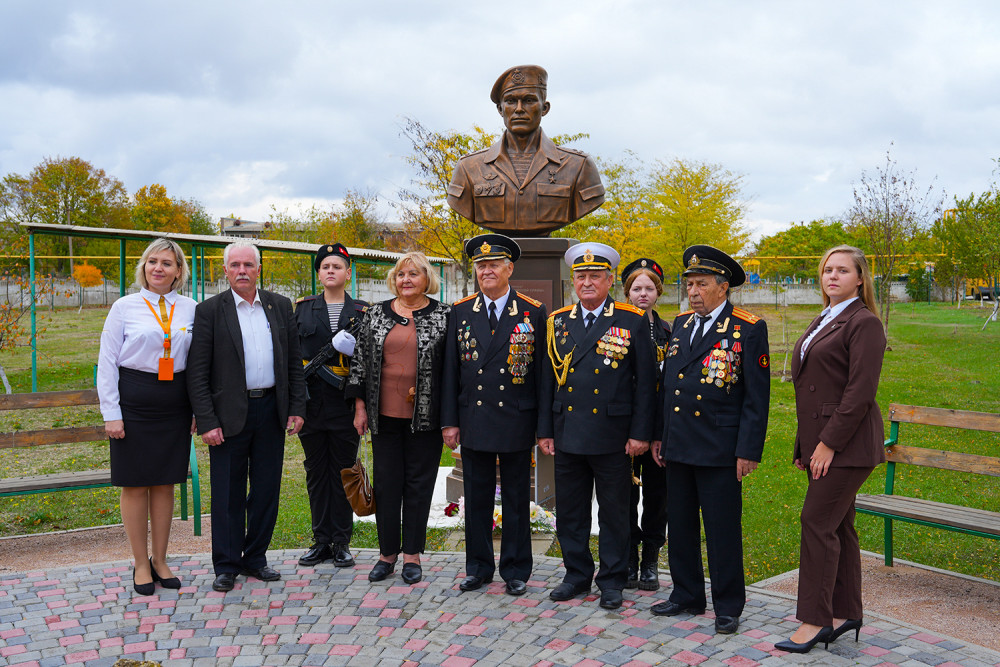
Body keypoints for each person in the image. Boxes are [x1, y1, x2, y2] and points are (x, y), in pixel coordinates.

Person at [650, 245, 770, 635]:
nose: (693, 292)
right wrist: (660, 436)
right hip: (679, 444)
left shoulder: (747, 328)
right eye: (689, 284)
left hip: (720, 448)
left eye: (701, 284)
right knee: (681, 524)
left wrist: (748, 451)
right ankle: (686, 594)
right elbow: (669, 386)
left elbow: (756, 398)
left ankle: (728, 604)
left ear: (723, 287)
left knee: (721, 530)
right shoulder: (682, 323)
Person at [775, 245, 886, 654]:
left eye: (842, 270)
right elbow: (813, 388)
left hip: (847, 445)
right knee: (838, 526)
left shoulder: (864, 322)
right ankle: (846, 611)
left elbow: (859, 392)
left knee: (816, 522)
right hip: (822, 442)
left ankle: (815, 620)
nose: (832, 276)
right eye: (827, 270)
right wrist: (806, 445)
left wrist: (827, 445)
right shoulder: (826, 317)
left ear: (860, 278)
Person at [537, 243, 656, 610]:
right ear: (573, 280)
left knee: (614, 513)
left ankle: (612, 579)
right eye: (580, 276)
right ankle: (576, 575)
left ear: (609, 280)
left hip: (612, 435)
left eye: (594, 276)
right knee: (570, 511)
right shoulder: (557, 321)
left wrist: (640, 433)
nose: (586, 282)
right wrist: (545, 430)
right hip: (568, 431)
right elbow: (546, 381)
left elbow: (646, 383)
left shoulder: (632, 319)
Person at [186, 240, 307, 593]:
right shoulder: (210, 311)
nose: (242, 271)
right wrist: (207, 420)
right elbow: (197, 372)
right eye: (235, 265)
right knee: (228, 492)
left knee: (266, 490)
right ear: (225, 270)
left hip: (271, 410)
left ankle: (255, 558)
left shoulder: (280, 306)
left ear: (258, 269)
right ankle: (226, 565)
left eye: (248, 265)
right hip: (227, 416)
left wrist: (297, 407)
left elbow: (293, 363)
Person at [441, 234, 548, 596]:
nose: (486, 271)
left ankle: (516, 569)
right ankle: (478, 567)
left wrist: (542, 427)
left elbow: (542, 375)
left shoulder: (532, 311)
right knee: (477, 497)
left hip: (516, 418)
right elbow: (451, 371)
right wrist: (450, 421)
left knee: (517, 498)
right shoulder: (460, 311)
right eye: (481, 266)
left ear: (509, 269)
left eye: (493, 265)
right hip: (475, 419)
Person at [97, 238, 196, 595]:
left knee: (165, 483)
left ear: (179, 271)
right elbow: (107, 362)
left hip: (175, 404)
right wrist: (112, 413)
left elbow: (198, 363)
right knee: (136, 484)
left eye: (167, 263)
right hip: (133, 404)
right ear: (144, 266)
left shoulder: (191, 308)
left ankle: (161, 559)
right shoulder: (124, 307)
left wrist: (198, 409)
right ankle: (140, 562)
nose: (158, 268)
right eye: (153, 261)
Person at [347, 252, 451, 585]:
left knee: (419, 486)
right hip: (383, 416)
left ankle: (412, 556)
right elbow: (360, 361)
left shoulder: (445, 316)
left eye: (414, 274)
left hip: (426, 418)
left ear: (427, 279)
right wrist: (360, 407)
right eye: (401, 274)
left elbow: (451, 370)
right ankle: (386, 555)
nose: (406, 279)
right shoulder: (376, 313)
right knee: (387, 485)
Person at [447, 64, 605, 237]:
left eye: (529, 100)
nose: (519, 109)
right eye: (511, 101)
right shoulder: (469, 168)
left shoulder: (579, 166)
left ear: (544, 108)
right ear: (500, 109)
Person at [294, 243, 368, 569]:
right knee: (315, 472)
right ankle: (320, 540)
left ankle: (341, 541)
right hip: (312, 405)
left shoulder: (362, 312)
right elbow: (293, 359)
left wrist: (362, 406)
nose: (330, 271)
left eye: (337, 266)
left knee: (343, 471)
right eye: (325, 266)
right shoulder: (302, 309)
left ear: (347, 273)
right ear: (319, 273)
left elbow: (369, 364)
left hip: (345, 404)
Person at [619, 257, 671, 591]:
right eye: (636, 288)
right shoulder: (617, 329)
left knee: (657, 496)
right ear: (627, 292)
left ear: (658, 292)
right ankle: (627, 558)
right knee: (624, 495)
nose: (642, 294)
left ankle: (650, 558)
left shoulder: (669, 331)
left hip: (659, 427)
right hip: (624, 427)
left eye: (649, 288)